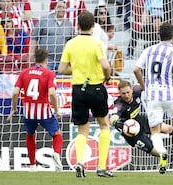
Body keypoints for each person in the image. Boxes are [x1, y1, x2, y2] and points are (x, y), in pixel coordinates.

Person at [134, 23, 173, 174]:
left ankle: (162, 152)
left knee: (155, 129)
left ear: (158, 35)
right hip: (171, 94)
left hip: (153, 96)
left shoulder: (149, 50)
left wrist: (144, 86)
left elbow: (136, 69)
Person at [58, 11, 113, 178]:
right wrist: (108, 76)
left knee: (82, 129)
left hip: (78, 89)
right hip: (95, 87)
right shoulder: (96, 44)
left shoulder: (71, 44)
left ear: (78, 25)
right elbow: (105, 65)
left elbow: (61, 69)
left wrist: (77, 69)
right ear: (94, 25)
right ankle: (101, 167)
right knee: (104, 124)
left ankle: (80, 162)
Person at [110, 80, 173, 156]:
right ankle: (165, 157)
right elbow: (112, 118)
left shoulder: (137, 90)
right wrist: (116, 123)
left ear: (132, 90)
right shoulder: (119, 104)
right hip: (132, 133)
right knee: (154, 150)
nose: (127, 95)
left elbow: (150, 83)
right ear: (119, 93)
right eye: (123, 93)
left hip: (141, 120)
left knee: (168, 128)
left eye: (128, 92)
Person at [7, 48, 63, 172]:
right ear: (46, 59)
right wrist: (57, 109)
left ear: (34, 59)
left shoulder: (24, 73)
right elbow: (52, 94)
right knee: (57, 134)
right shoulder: (49, 73)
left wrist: (14, 108)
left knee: (30, 135)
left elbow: (15, 92)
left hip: (28, 112)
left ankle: (32, 166)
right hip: (44, 111)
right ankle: (56, 153)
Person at [30, 0, 74, 72]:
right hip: (45, 61)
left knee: (61, 82)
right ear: (55, 8)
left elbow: (71, 43)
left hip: (62, 62)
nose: (61, 9)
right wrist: (31, 54)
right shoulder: (44, 20)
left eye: (64, 7)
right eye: (59, 7)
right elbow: (34, 38)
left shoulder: (69, 24)